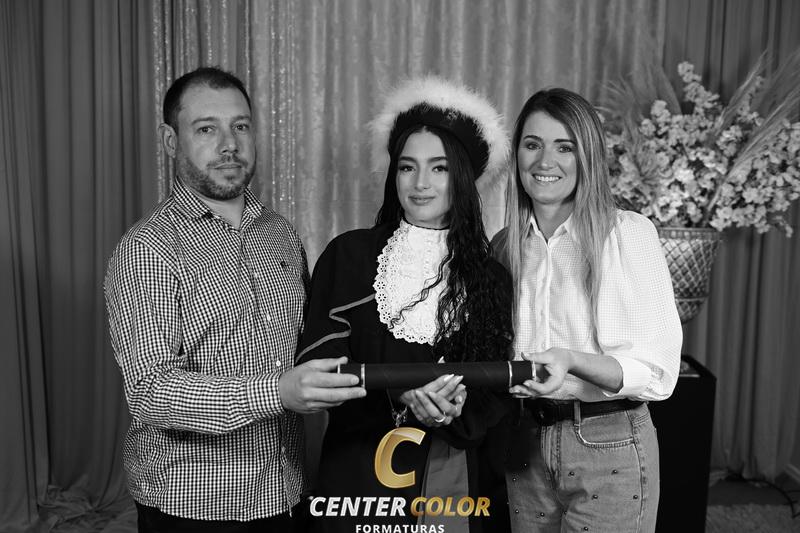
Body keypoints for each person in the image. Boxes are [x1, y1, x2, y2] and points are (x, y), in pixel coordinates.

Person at [104, 66, 366, 532]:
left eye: (240, 126)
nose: (229, 144)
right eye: (207, 129)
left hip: (286, 490)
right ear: (171, 141)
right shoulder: (148, 248)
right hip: (193, 505)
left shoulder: (280, 234)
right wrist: (276, 392)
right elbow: (150, 391)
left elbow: (311, 346)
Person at [296, 77, 514, 532]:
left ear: (463, 177)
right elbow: (319, 367)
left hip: (454, 485)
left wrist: (455, 407)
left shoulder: (491, 277)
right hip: (357, 480)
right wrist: (401, 391)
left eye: (439, 168)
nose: (420, 184)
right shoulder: (348, 256)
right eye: (407, 167)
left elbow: (495, 390)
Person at [492, 88, 682, 532]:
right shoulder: (504, 247)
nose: (545, 161)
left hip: (608, 445)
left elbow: (657, 373)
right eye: (533, 144)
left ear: (588, 156)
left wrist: (571, 360)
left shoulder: (627, 235)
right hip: (524, 444)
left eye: (565, 147)